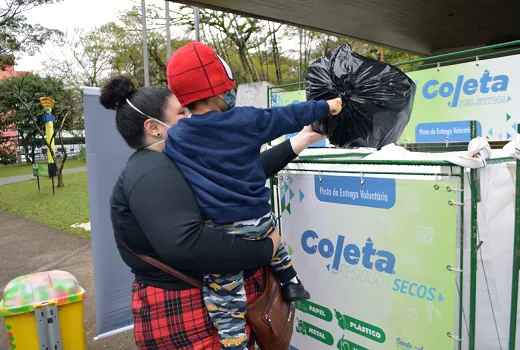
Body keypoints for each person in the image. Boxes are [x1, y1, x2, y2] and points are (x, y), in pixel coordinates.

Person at [100, 75, 326, 349]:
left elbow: (236, 181)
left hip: (210, 301)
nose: (192, 116)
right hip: (185, 312)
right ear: (154, 127)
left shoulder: (173, 159)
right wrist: (267, 249)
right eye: (182, 112)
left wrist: (299, 141)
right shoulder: (150, 172)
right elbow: (187, 244)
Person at [163, 42, 342, 350]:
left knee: (225, 293)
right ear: (221, 90)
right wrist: (328, 105)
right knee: (272, 237)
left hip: (224, 230)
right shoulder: (246, 119)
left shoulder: (178, 136)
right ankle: (290, 279)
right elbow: (289, 115)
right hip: (260, 217)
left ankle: (234, 342)